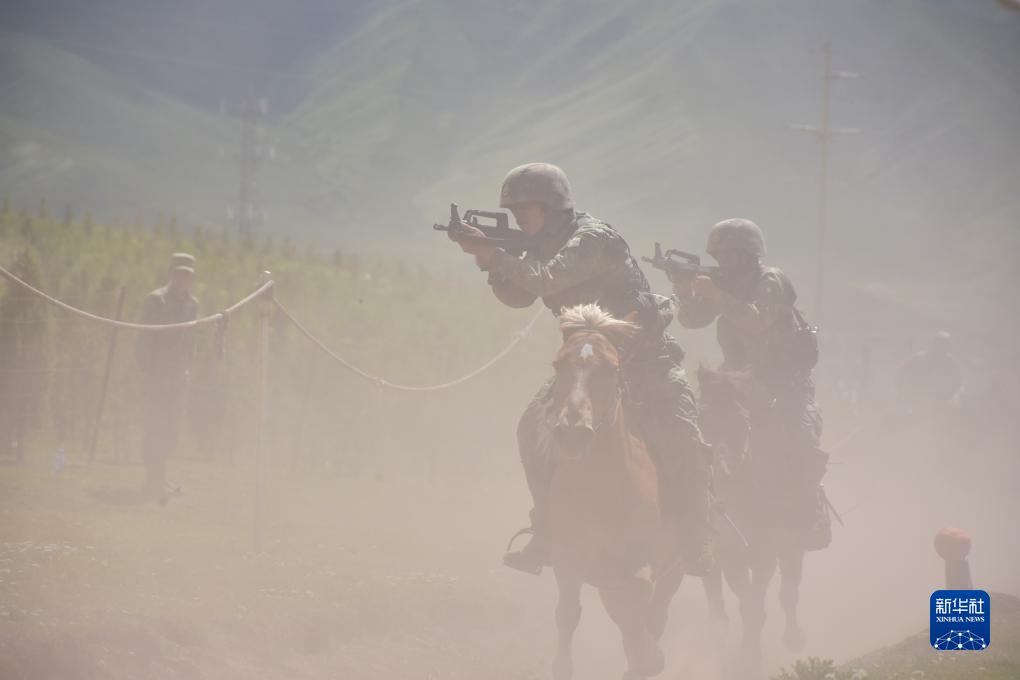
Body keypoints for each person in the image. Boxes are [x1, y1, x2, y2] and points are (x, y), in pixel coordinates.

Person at [453, 162, 713, 575]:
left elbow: (545, 281)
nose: (518, 218)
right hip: (588, 365)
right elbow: (519, 297)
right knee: (531, 428)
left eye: (525, 210)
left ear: (551, 207)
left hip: (646, 360)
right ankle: (546, 531)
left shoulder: (591, 239)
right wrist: (492, 264)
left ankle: (697, 540)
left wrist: (497, 255)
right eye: (514, 212)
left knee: (686, 437)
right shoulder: (541, 245)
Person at [672, 219, 830, 552]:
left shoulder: (770, 280)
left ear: (748, 255)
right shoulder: (724, 284)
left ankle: (810, 509)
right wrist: (685, 291)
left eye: (730, 255)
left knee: (801, 437)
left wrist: (716, 294)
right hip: (738, 375)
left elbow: (757, 321)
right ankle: (694, 510)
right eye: (719, 256)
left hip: (784, 380)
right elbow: (692, 320)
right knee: (696, 423)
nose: (723, 262)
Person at [135, 253, 199, 500]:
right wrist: (148, 372)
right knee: (155, 428)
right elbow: (143, 339)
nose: (183, 278)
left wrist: (188, 367)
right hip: (157, 376)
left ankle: (159, 479)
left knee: (173, 430)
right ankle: (153, 482)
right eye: (179, 272)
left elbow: (191, 339)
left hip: (178, 378)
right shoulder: (156, 300)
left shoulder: (193, 305)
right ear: (170, 273)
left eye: (187, 274)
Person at [897, 331, 963, 416]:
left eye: (944, 346)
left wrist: (952, 395)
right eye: (939, 345)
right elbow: (902, 371)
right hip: (920, 400)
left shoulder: (951, 363)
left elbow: (959, 381)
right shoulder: (920, 358)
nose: (941, 349)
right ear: (934, 345)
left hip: (942, 402)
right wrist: (901, 390)